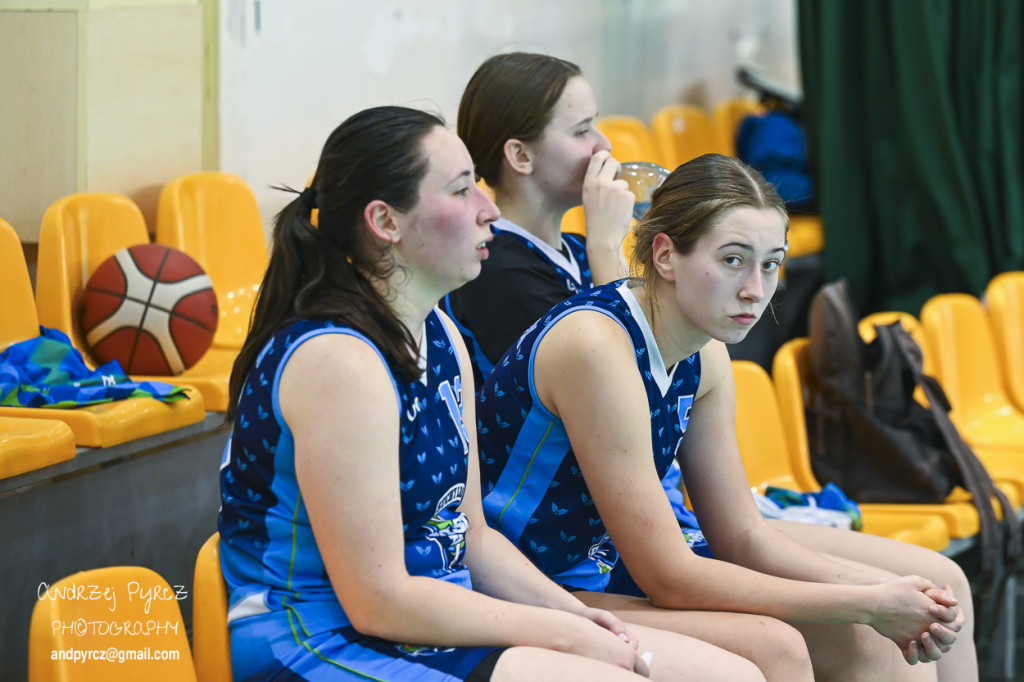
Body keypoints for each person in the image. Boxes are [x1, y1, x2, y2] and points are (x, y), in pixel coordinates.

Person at [217, 106, 766, 681]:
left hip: (432, 618)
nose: (489, 209)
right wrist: (560, 633)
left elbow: (472, 538)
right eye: (461, 192)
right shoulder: (339, 363)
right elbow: (377, 600)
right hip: (318, 639)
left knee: (731, 675)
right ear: (385, 221)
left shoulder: (441, 333)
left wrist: (578, 617)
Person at [476, 153, 971, 682]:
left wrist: (875, 592)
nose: (755, 290)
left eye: (771, 263)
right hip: (534, 579)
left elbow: (741, 535)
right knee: (778, 646)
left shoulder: (705, 352)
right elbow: (667, 576)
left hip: (606, 565)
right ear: (664, 255)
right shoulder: (596, 346)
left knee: (894, 617)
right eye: (734, 259)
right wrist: (862, 601)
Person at [442, 52, 634, 388]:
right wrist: (607, 244)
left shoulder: (575, 248)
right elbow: (621, 386)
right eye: (582, 131)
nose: (604, 145)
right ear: (521, 156)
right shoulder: (495, 269)